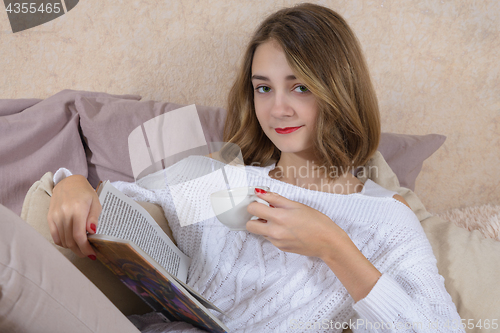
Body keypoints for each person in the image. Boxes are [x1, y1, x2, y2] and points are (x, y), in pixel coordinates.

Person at [47, 3, 464, 332]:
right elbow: (126, 206)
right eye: (264, 87)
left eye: (300, 87)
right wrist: (74, 185)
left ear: (339, 90)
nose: (278, 108)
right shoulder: (220, 176)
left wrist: (333, 246)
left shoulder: (386, 217)